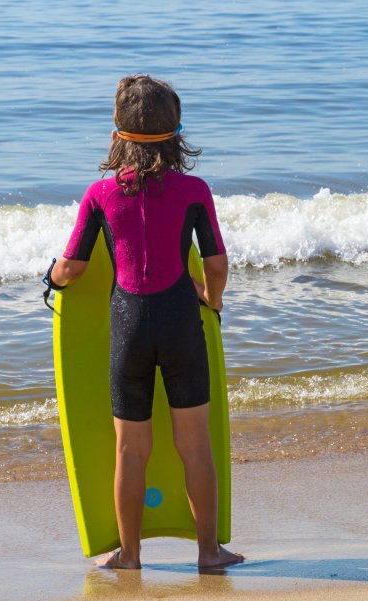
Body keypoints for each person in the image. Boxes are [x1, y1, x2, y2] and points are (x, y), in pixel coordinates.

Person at [44, 74, 243, 570]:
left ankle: (129, 555)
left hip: (128, 325)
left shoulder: (99, 194)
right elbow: (216, 264)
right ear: (177, 136)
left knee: (130, 450)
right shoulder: (196, 190)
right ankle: (209, 552)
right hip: (181, 321)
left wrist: (51, 278)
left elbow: (73, 268)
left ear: (116, 136)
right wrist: (212, 301)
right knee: (194, 445)